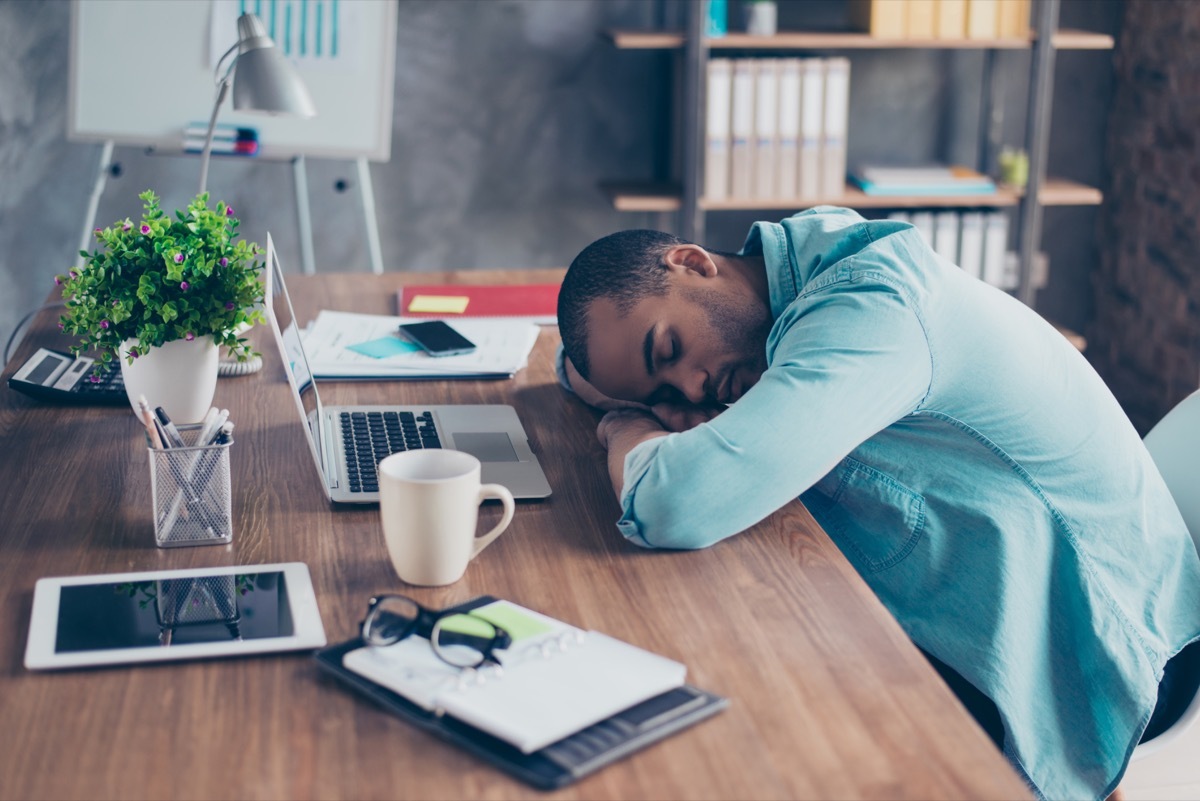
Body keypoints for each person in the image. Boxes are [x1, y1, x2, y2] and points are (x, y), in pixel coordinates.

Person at [554, 206, 1200, 801]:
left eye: (669, 351)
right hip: (987, 591)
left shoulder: (870, 307)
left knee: (753, 726)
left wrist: (629, 429)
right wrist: (639, 393)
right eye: (662, 387)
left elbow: (680, 501)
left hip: (1094, 652)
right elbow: (575, 365)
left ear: (694, 262)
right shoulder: (795, 274)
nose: (692, 388)